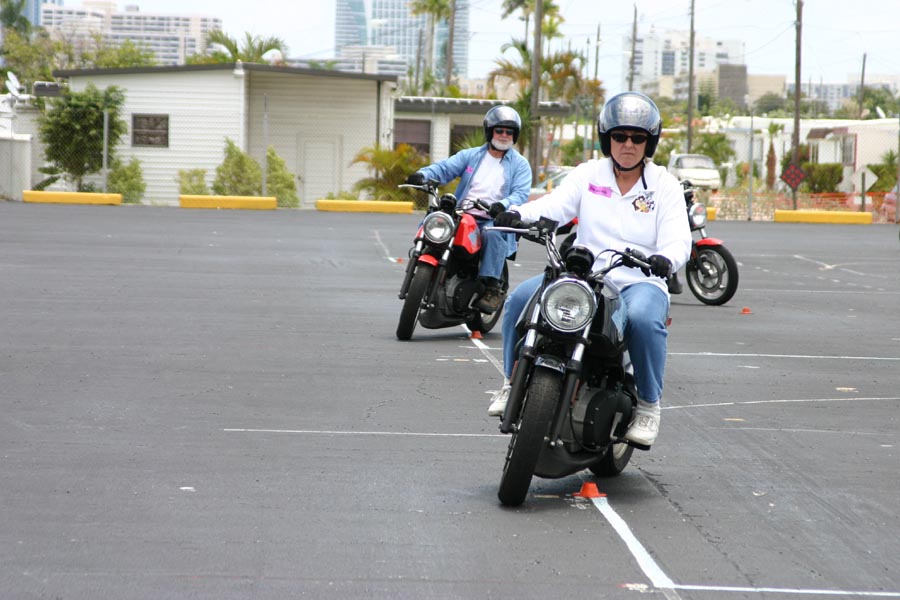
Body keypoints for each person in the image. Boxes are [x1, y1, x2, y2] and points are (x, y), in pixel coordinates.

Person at [488, 92, 692, 448]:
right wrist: (518, 213)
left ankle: (649, 405)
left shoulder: (665, 185)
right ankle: (510, 382)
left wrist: (666, 259)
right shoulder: (588, 174)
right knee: (519, 300)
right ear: (606, 138)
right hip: (586, 277)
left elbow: (679, 239)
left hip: (639, 280)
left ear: (650, 142)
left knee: (644, 320)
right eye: (619, 136)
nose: (628, 144)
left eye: (637, 138)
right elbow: (555, 206)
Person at [406, 105, 532, 313]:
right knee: (438, 220)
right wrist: (423, 175)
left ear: (514, 135)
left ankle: (492, 288)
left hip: (493, 218)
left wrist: (502, 206)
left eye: (509, 132)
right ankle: (425, 260)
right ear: (489, 131)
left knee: (492, 233)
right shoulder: (471, 155)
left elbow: (520, 193)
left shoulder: (520, 164)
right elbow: (445, 168)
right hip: (463, 213)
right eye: (499, 130)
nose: (504, 135)